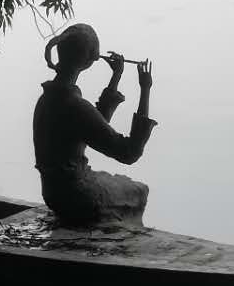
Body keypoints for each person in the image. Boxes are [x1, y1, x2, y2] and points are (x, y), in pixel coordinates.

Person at [32, 23, 155, 226]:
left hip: (53, 193)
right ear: (90, 59)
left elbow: (93, 126)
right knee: (138, 190)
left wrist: (115, 78)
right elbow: (129, 153)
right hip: (77, 196)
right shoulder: (74, 105)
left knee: (112, 180)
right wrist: (145, 88)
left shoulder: (47, 99)